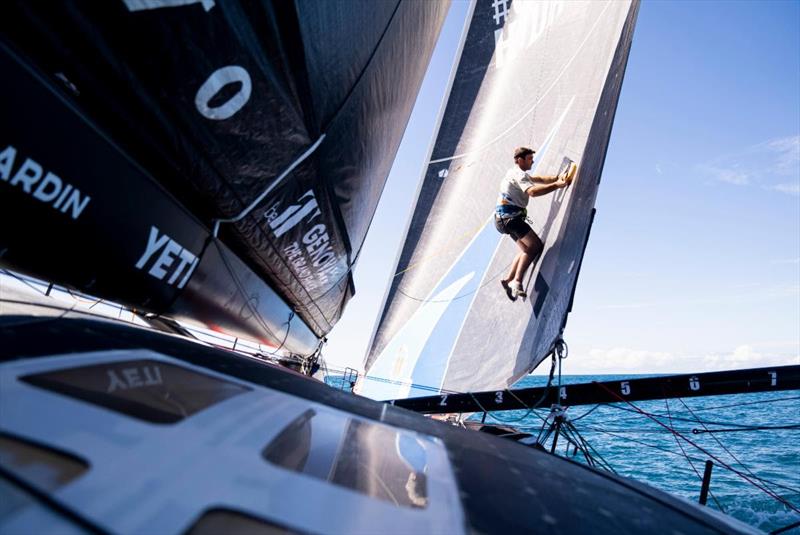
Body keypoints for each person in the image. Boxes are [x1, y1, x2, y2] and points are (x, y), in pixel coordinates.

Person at [494, 146, 572, 301]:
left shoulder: (514, 173)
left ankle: (508, 280)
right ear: (519, 160)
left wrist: (557, 177)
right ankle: (517, 282)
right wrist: (557, 185)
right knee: (535, 246)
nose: (533, 161)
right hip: (511, 219)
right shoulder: (519, 174)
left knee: (525, 250)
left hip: (501, 221)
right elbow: (533, 192)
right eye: (529, 158)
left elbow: (541, 179)